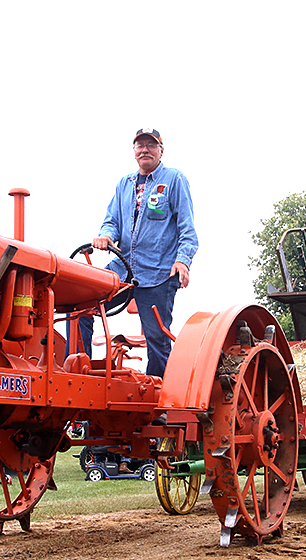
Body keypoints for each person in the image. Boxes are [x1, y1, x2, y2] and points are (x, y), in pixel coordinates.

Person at [81, 127, 199, 377]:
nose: (145, 149)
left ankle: (158, 404)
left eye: (151, 145)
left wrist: (183, 261)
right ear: (134, 151)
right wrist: (107, 236)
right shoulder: (124, 183)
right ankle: (80, 372)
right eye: (140, 145)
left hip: (158, 271)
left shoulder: (174, 180)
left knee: (156, 338)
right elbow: (111, 220)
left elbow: (187, 227)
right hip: (123, 268)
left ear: (161, 150)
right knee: (82, 304)